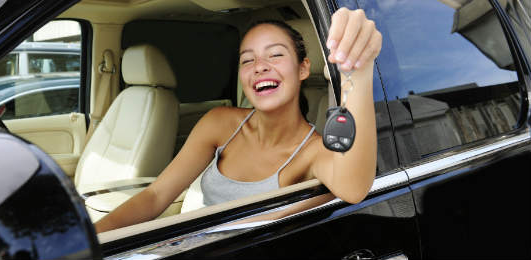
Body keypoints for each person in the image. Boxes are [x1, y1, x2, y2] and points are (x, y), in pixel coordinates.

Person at [95, 7, 382, 233]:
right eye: (247, 60)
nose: (259, 67)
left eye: (276, 55)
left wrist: (356, 68)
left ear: (303, 68)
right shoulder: (219, 122)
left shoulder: (313, 152)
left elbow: (354, 188)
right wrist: (90, 241)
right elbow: (156, 196)